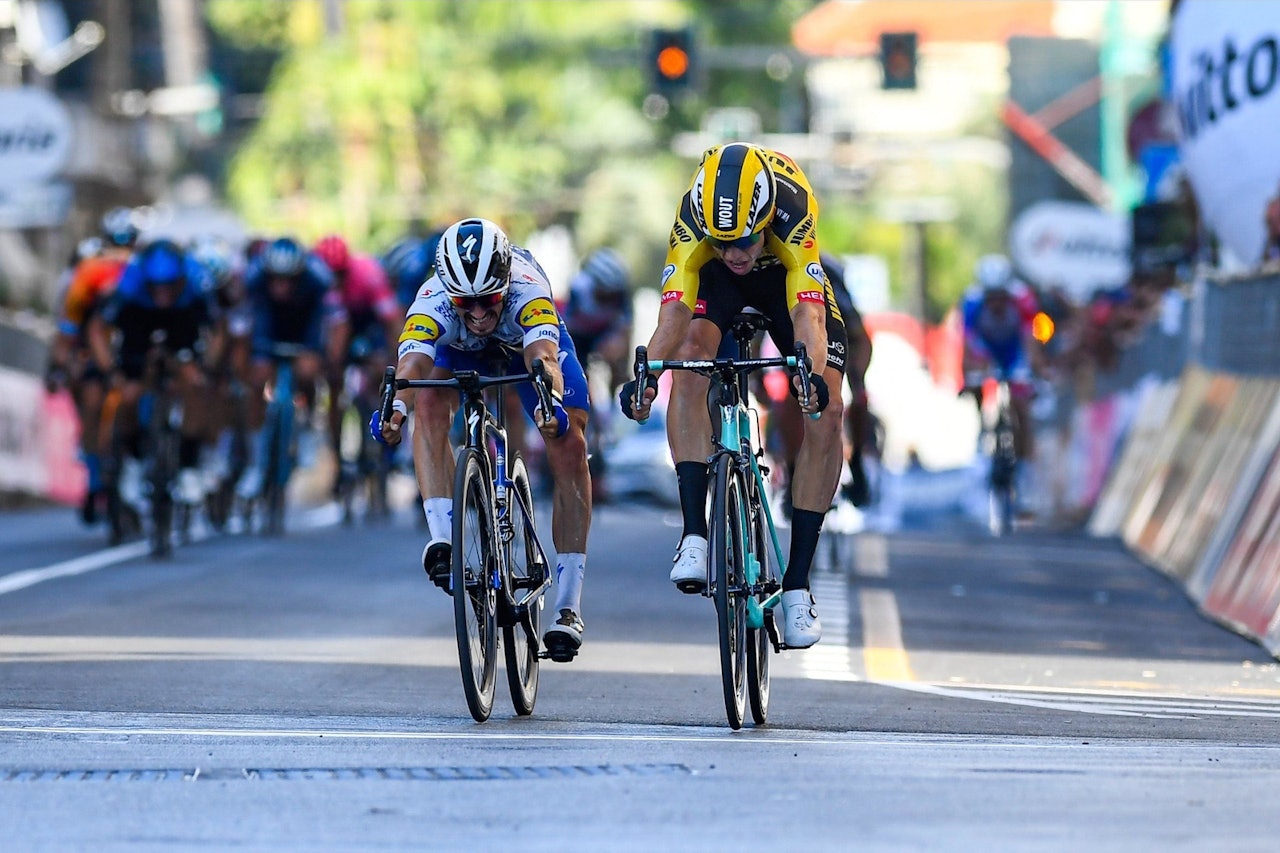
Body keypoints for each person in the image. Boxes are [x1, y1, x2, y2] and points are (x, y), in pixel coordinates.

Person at [618, 142, 847, 649]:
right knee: (691, 358)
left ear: (763, 218)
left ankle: (798, 587)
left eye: (743, 240)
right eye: (723, 243)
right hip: (716, 290)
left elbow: (808, 315)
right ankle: (695, 534)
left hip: (784, 279)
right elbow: (673, 317)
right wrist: (649, 373)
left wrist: (807, 372)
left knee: (827, 408)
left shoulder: (792, 207)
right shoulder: (695, 220)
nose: (735, 253)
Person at [376, 218, 593, 662]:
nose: (477, 314)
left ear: (505, 283)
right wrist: (396, 407)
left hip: (523, 351)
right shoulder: (433, 296)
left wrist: (549, 403)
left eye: (487, 302)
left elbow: (543, 356)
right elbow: (412, 364)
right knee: (429, 404)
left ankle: (568, 605)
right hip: (458, 354)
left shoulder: (527, 287)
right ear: (448, 292)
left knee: (570, 440)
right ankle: (444, 539)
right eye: (465, 304)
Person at [87, 239, 216, 514]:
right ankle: (133, 461)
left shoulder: (197, 282)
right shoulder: (129, 284)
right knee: (128, 393)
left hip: (183, 322)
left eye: (170, 286)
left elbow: (218, 328)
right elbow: (97, 329)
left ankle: (188, 464)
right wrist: (110, 369)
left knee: (194, 383)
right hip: (139, 322)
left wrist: (207, 366)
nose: (163, 294)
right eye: (156, 287)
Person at [46, 208, 139, 523]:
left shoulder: (142, 270)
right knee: (90, 398)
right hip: (92, 345)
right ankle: (95, 475)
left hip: (130, 345)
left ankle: (139, 458)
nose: (121, 253)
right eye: (115, 243)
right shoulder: (86, 272)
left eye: (128, 244)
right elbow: (67, 326)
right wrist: (60, 364)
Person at [235, 236, 334, 500]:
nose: (281, 285)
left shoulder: (318, 280)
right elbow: (247, 323)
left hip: (304, 324)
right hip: (270, 322)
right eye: (275, 279)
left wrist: (319, 354)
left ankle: (308, 429)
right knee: (257, 380)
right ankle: (256, 460)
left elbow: (326, 322)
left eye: (288, 280)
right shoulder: (254, 279)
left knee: (308, 371)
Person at [313, 233, 403, 491]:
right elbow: (332, 331)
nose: (336, 281)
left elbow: (392, 321)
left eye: (340, 274)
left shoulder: (368, 275)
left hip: (369, 322)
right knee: (333, 382)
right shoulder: (320, 285)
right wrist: (332, 364)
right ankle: (337, 457)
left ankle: (381, 420)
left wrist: (395, 359)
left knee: (380, 370)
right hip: (338, 326)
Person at [960, 253, 1041, 471]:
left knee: (1021, 405)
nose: (996, 303)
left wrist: (1033, 368)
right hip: (987, 350)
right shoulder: (971, 301)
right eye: (991, 297)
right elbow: (967, 343)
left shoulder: (1023, 298)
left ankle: (1026, 465)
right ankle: (981, 425)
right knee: (975, 382)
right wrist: (969, 375)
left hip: (1015, 352)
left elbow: (1030, 338)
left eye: (1001, 297)